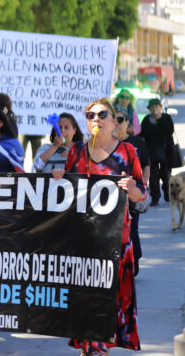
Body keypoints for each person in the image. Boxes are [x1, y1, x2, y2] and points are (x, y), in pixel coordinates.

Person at [53, 98, 142, 356]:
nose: (96, 119)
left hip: (117, 239)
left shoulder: (128, 153)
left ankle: (100, 346)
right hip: (84, 238)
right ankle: (89, 345)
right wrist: (60, 177)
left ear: (114, 120)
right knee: (85, 293)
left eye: (102, 114)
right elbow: (68, 193)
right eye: (90, 115)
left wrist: (132, 188)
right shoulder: (76, 152)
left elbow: (141, 195)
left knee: (109, 296)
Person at [114, 109, 150, 276]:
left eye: (120, 119)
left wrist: (144, 186)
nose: (116, 123)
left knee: (132, 230)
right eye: (113, 119)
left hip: (132, 195)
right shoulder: (106, 145)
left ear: (127, 123)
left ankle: (134, 261)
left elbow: (146, 166)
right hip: (112, 198)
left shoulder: (137, 143)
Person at [139, 98, 174, 207]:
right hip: (151, 151)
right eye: (152, 107)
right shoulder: (146, 120)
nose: (155, 109)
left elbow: (170, 130)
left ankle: (168, 195)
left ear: (160, 107)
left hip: (165, 151)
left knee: (166, 175)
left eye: (157, 106)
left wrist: (160, 119)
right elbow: (141, 134)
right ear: (149, 109)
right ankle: (155, 197)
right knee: (153, 176)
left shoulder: (166, 118)